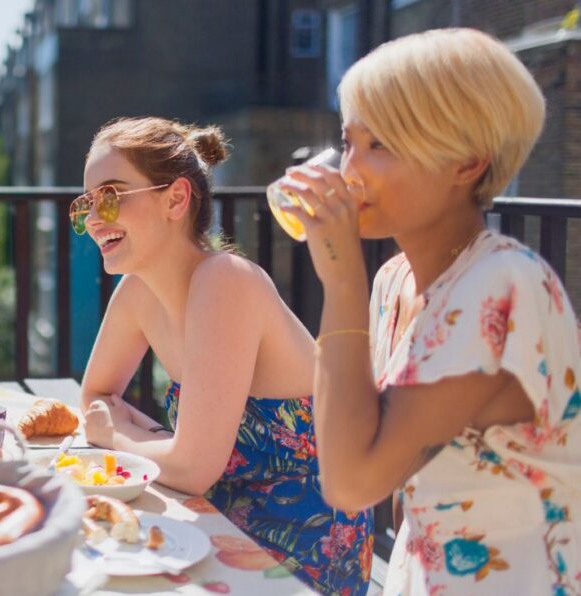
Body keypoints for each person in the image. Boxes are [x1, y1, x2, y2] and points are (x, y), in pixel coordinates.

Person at [279, 28, 580, 593]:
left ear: (467, 162)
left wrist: (341, 279)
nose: (349, 171)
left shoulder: (502, 284)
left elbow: (350, 483)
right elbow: (391, 474)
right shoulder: (394, 280)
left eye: (380, 146)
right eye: (349, 142)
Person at [76, 116, 372, 594]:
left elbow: (191, 468)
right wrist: (159, 442)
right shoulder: (138, 292)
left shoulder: (226, 281)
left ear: (175, 198)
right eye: (86, 204)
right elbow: (97, 394)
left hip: (299, 553)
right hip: (213, 525)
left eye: (109, 197)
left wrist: (118, 439)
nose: (92, 219)